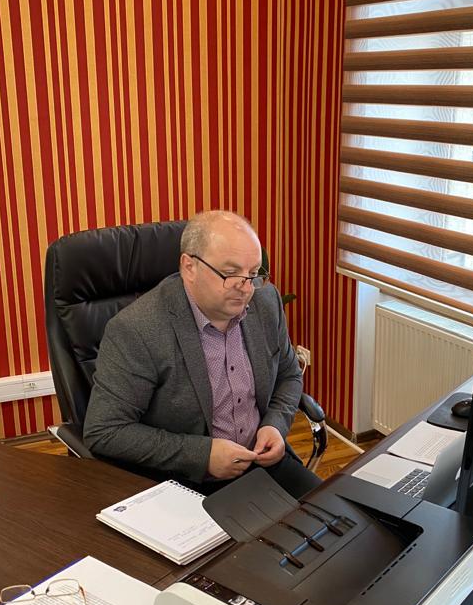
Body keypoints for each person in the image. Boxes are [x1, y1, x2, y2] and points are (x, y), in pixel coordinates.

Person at [83, 210, 321, 499]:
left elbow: (289, 375)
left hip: (263, 464)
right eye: (230, 273)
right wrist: (202, 454)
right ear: (189, 267)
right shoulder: (138, 329)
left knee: (338, 518)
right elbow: (105, 431)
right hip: (183, 480)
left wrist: (275, 424)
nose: (246, 288)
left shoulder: (266, 302)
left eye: (253, 274)